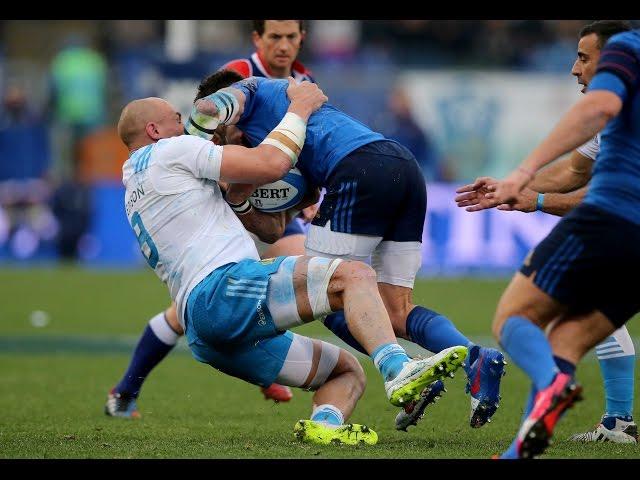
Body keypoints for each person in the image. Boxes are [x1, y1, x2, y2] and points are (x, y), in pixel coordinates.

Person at [117, 84, 468, 445]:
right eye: (176, 119)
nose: (189, 127)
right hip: (224, 291)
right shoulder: (170, 150)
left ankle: (325, 426)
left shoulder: (134, 188)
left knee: (345, 372)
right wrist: (298, 108)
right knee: (353, 275)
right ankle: (398, 368)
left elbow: (262, 227)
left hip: (203, 332)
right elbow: (272, 164)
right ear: (153, 131)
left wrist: (240, 198)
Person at [185, 69, 507, 432]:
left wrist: (190, 146)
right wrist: (242, 201)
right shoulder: (277, 139)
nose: (221, 145)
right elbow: (283, 218)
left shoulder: (251, 90)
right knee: (396, 311)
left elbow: (208, 107)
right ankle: (476, 358)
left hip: (357, 170)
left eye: (218, 137)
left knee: (329, 291)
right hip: (403, 168)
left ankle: (403, 371)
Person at [105, 20, 319, 417]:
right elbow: (209, 129)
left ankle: (125, 390)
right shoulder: (239, 74)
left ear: (302, 39)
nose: (284, 45)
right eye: (276, 37)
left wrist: (309, 194)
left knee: (307, 277)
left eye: (291, 37)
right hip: (230, 193)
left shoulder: (304, 80)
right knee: (318, 277)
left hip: (265, 201)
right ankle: (380, 361)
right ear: (258, 39)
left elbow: (307, 150)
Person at [454, 20, 637, 445]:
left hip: (616, 224)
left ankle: (554, 388)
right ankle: (607, 424)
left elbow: (600, 192)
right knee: (572, 334)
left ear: (611, 58)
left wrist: (527, 184)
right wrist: (511, 187)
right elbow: (575, 170)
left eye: (585, 58)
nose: (575, 69)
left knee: (516, 319)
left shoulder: (627, 54)